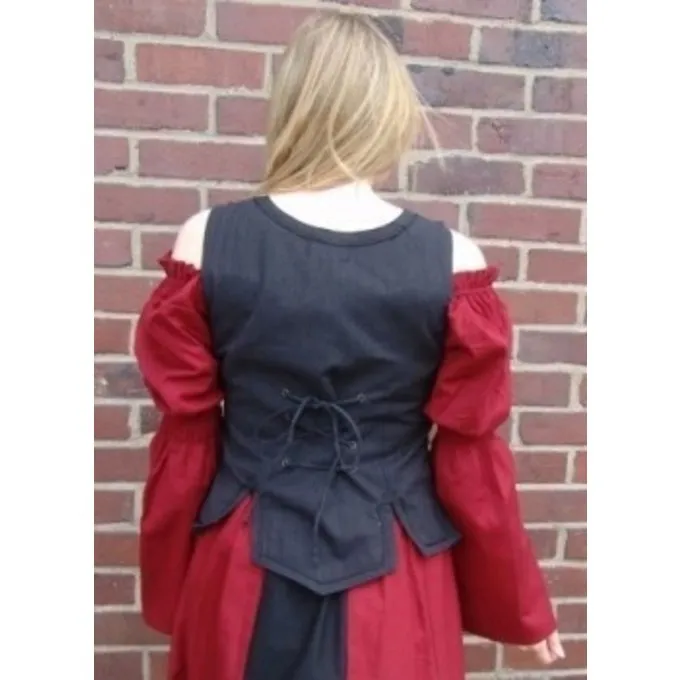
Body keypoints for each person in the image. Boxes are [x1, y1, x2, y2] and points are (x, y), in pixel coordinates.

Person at [134, 10, 563, 680]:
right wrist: (522, 609)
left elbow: (188, 439)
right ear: (389, 113)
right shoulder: (452, 260)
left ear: (292, 104)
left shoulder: (208, 240)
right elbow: (469, 459)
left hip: (242, 567)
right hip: (394, 577)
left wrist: (171, 587)